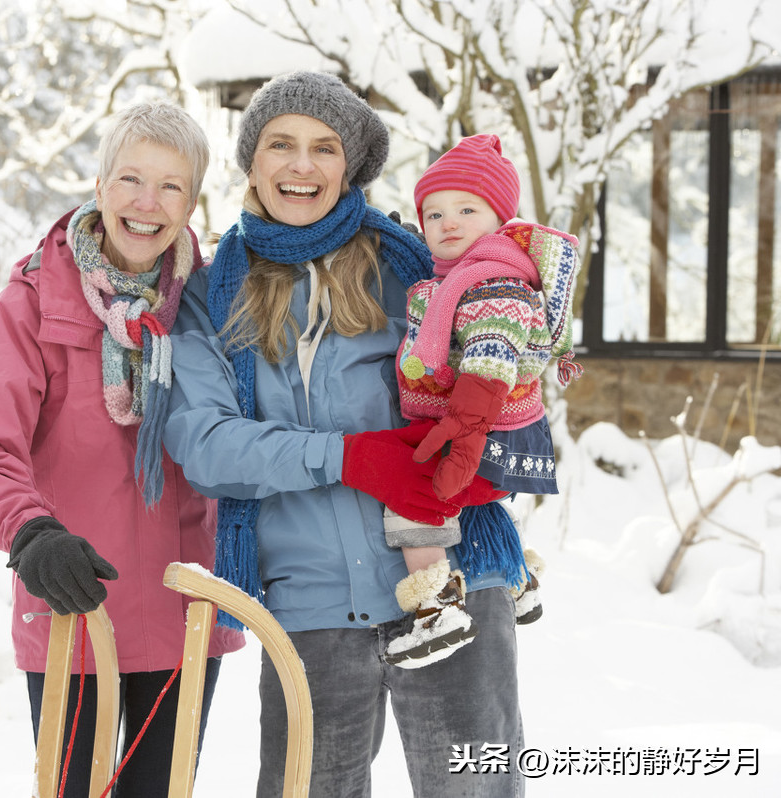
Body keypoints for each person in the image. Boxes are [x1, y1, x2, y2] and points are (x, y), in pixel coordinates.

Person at [162, 71, 526, 797]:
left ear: (350, 165)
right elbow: (203, 442)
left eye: (324, 148)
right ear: (252, 160)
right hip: (311, 609)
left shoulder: (416, 267)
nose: (302, 166)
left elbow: (505, 358)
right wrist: (348, 457)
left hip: (448, 585)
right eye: (281, 144)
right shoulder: (213, 291)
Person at [0, 102, 243, 798]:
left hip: (184, 612)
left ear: (192, 200)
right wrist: (31, 532)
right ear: (101, 184)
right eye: (132, 180)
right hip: (73, 604)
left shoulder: (212, 303)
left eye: (171, 186)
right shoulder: (30, 304)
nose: (148, 203)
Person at [381, 133, 582, 668]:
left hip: (479, 424)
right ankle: (519, 580)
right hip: (497, 426)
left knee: (414, 499)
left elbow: (491, 356)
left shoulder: (491, 280)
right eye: (435, 213)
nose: (448, 222)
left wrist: (466, 433)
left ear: (500, 220)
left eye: (467, 209)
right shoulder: (463, 276)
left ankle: (434, 608)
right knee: (474, 505)